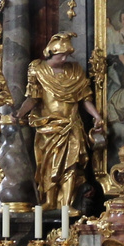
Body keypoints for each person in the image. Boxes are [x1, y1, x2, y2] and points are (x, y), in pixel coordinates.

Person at [15, 33, 104, 212]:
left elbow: (84, 99)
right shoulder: (37, 69)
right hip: (48, 127)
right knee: (48, 166)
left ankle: (66, 204)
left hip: (72, 125)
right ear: (49, 53)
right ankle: (49, 200)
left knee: (71, 165)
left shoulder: (75, 71)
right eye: (60, 56)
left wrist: (97, 116)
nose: (64, 59)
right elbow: (33, 98)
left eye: (66, 55)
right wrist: (19, 114)